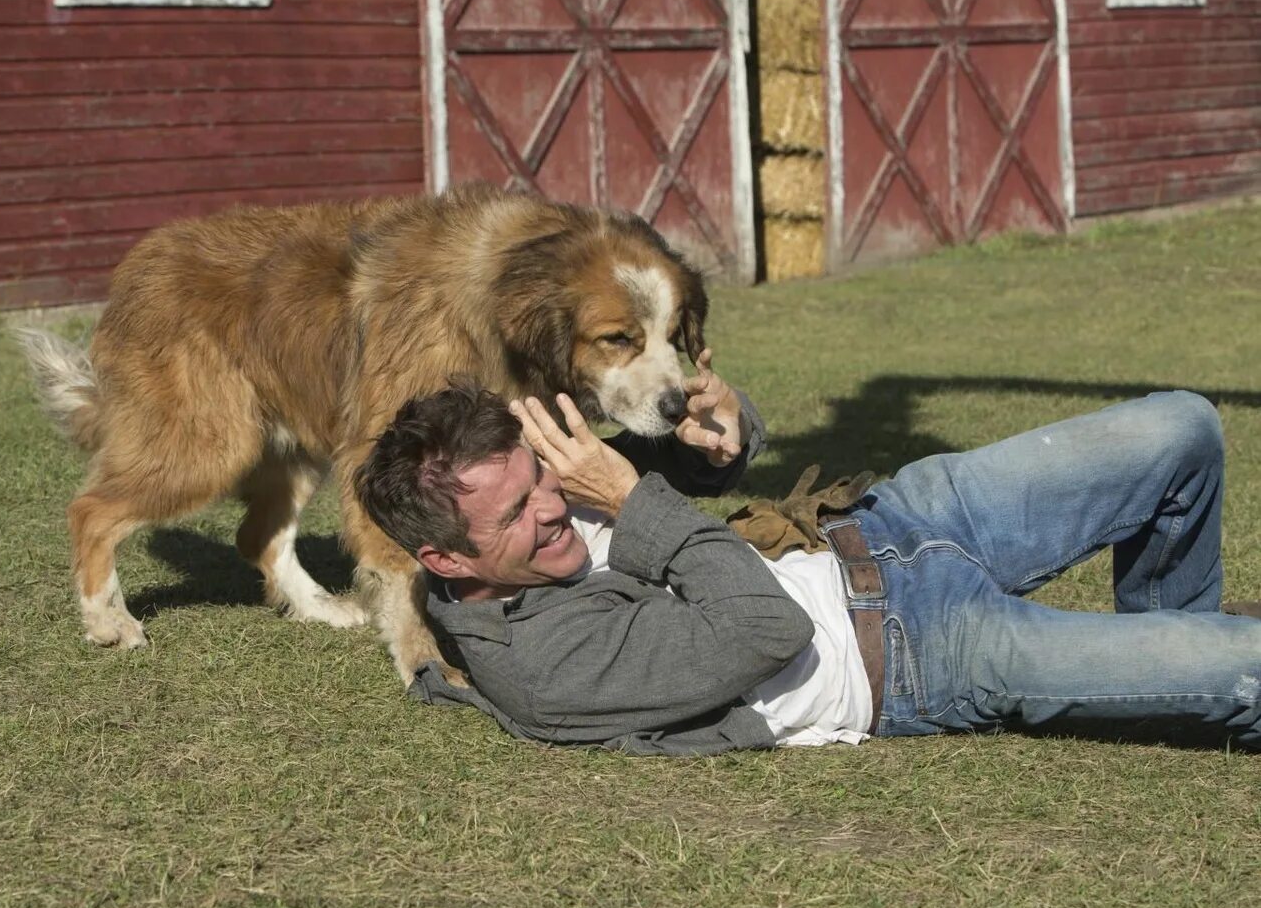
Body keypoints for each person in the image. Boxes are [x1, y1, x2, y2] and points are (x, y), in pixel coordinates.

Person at [353, 358, 1261, 754]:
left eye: (543, 475)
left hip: (892, 521)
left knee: (1185, 427)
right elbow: (762, 623)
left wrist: (720, 432)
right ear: (444, 558)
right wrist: (628, 498)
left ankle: (1166, 663)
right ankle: (1185, 674)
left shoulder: (529, 527)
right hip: (916, 656)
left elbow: (679, 491)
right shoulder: (550, 667)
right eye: (519, 510)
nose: (554, 505)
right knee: (1249, 668)